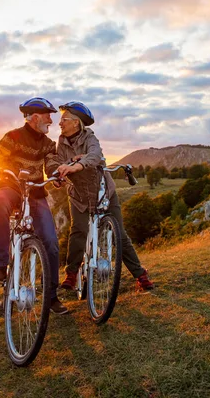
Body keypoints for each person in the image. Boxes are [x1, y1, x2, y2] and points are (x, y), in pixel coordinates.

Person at [45, 101, 154, 293]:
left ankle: (140, 274)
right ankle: (72, 273)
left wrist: (75, 165)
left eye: (64, 119)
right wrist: (57, 175)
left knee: (119, 234)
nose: (59, 123)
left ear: (76, 123)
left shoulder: (90, 137)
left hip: (104, 193)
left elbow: (95, 155)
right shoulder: (61, 142)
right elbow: (56, 162)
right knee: (78, 232)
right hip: (78, 196)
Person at [0, 97, 68, 315]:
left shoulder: (49, 143)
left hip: (35, 193)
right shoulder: (12, 137)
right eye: (48, 116)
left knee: (50, 241)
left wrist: (55, 174)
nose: (51, 120)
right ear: (36, 117)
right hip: (11, 187)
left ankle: (51, 297)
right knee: (1, 202)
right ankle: (1, 267)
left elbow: (51, 163)